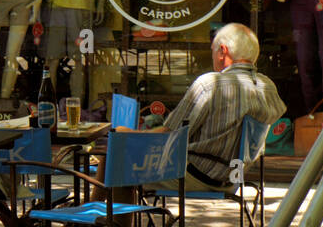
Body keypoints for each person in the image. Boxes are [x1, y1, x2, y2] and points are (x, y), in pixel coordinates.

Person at [121, 22, 286, 192]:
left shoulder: (211, 84)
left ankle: (105, 217)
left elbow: (170, 133)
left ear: (223, 51)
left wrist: (127, 135)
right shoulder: (267, 87)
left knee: (118, 163)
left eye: (213, 51)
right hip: (232, 181)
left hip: (194, 178)